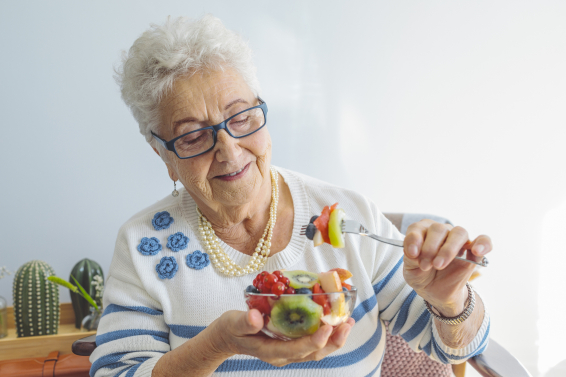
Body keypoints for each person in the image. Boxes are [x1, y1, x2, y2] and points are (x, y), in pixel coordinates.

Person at [90, 15, 491, 377]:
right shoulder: (143, 246)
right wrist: (217, 345)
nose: (229, 150)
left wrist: (450, 302)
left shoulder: (351, 217)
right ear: (162, 153)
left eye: (242, 117)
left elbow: (458, 346)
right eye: (194, 135)